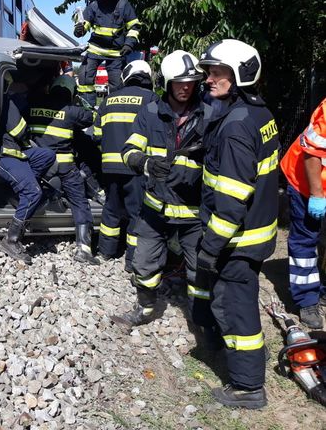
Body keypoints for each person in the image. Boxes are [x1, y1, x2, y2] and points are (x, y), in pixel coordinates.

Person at [196, 39, 279, 409]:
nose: (209, 79)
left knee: (236, 309)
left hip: (237, 241)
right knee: (237, 303)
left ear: (240, 76)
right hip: (256, 234)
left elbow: (230, 202)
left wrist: (209, 248)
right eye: (210, 72)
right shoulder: (259, 115)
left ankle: (247, 388)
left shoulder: (236, 127)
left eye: (217, 73)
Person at [116, 50, 212, 327]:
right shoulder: (149, 113)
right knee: (144, 264)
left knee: (200, 270)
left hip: (194, 212)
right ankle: (145, 309)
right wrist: (145, 163)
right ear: (167, 83)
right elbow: (129, 150)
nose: (185, 87)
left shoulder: (209, 115)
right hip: (155, 208)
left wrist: (196, 172)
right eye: (179, 82)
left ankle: (200, 319)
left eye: (191, 81)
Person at [93, 60, 158, 271]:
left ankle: (106, 251)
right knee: (136, 213)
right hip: (136, 168)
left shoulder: (108, 100)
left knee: (111, 209)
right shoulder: (151, 99)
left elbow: (96, 135)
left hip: (109, 167)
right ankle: (132, 261)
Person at [27, 75, 97, 263]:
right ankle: (83, 249)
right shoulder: (72, 111)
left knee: (29, 193)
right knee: (79, 202)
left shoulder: (33, 105)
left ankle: (17, 232)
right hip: (65, 166)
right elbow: (92, 117)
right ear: (71, 92)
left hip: (39, 165)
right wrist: (83, 99)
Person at [280, 100, 326, 329]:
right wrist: (317, 195)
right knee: (306, 239)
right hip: (306, 182)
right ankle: (307, 299)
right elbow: (312, 153)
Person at [0, 86, 55, 265]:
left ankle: (22, 191)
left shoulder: (4, 98)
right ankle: (11, 240)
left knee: (47, 155)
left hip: (14, 152)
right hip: (3, 155)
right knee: (33, 193)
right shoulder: (8, 101)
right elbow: (18, 131)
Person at [73, 0, 142, 96]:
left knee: (117, 86)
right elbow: (83, 25)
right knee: (84, 78)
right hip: (95, 50)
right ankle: (87, 110)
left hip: (116, 53)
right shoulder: (94, 6)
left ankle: (114, 110)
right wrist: (79, 30)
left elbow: (134, 26)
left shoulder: (123, 5)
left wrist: (129, 44)